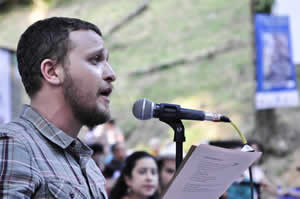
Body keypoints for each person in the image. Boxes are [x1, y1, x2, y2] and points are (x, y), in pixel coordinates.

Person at [0, 17, 116, 198]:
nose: (111, 74)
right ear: (52, 72)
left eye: (107, 61)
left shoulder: (89, 165)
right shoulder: (14, 144)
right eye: (95, 59)